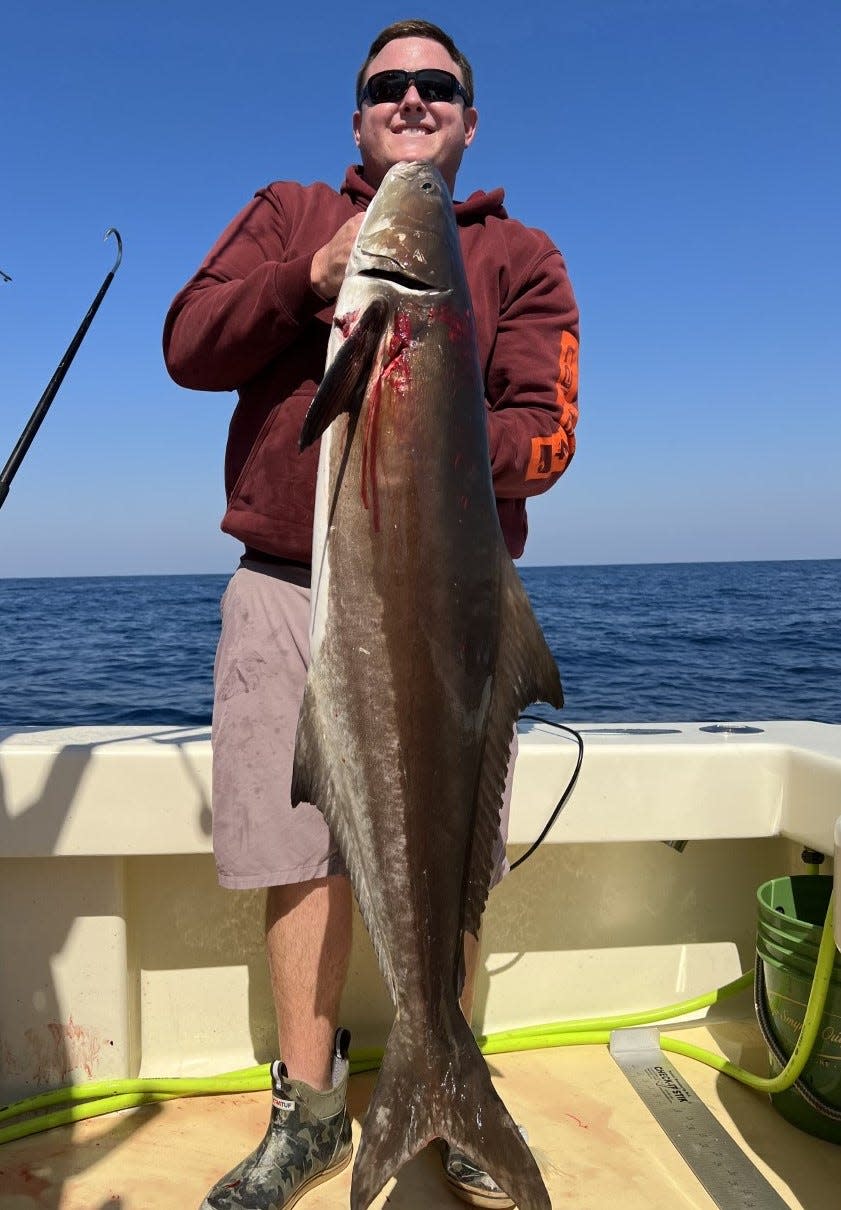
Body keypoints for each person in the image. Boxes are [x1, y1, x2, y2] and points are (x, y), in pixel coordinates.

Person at [163, 18, 579, 1210]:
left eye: (434, 85)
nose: (410, 98)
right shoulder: (290, 213)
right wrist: (305, 280)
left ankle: (444, 1080)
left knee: (444, 847)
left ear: (468, 116)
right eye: (385, 86)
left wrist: (430, 389)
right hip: (287, 589)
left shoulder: (520, 257)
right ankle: (307, 1112)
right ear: (356, 117)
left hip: (457, 607)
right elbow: (187, 344)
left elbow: (546, 436)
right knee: (297, 853)